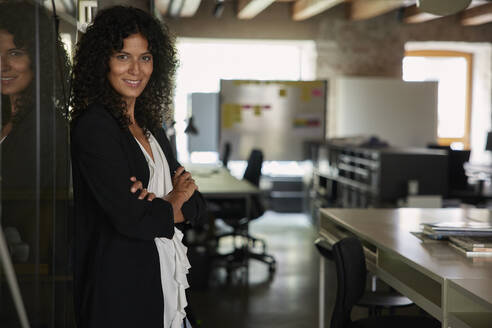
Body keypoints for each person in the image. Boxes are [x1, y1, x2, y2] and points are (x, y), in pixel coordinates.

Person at [70, 6, 206, 328]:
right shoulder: (94, 128)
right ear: (102, 61)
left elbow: (198, 204)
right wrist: (174, 200)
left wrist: (159, 206)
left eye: (145, 57)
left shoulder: (151, 127)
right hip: (123, 292)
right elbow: (133, 220)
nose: (136, 69)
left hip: (166, 283)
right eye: (122, 56)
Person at [0, 1, 72, 326]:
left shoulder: (43, 123)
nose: (3, 65)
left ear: (38, 59)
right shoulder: (9, 116)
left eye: (15, 53)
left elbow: (15, 203)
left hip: (25, 275)